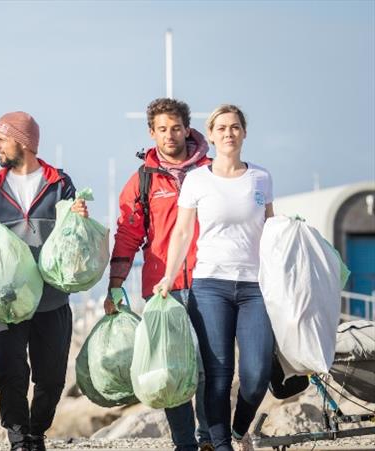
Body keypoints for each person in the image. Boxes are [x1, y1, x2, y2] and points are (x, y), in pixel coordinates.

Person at [155, 104, 274, 451]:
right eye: (220, 128)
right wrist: (168, 276)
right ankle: (221, 444)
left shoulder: (261, 178)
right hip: (210, 287)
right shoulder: (197, 180)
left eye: (234, 127)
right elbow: (181, 233)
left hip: (255, 287)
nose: (228, 133)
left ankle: (238, 430)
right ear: (210, 135)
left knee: (255, 377)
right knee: (219, 378)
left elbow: (271, 231)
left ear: (244, 132)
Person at [104, 98, 212, 451]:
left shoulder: (213, 171)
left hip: (211, 281)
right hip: (163, 288)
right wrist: (115, 285)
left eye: (176, 127)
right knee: (171, 369)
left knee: (212, 367)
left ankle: (210, 437)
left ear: (187, 128)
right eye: (162, 129)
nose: (170, 135)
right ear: (152, 133)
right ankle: (185, 444)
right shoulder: (143, 180)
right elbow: (128, 233)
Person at [0, 111, 87, 451]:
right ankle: (20, 440)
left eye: (1, 138)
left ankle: (37, 431)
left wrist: (80, 219)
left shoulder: (60, 183)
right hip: (7, 299)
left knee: (51, 377)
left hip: (52, 297)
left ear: (22, 141)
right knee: (10, 372)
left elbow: (73, 240)